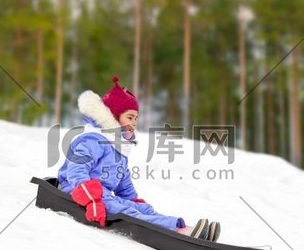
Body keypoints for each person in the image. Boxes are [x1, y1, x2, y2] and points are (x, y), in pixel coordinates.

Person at [57, 76, 220, 241]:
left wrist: (133, 200)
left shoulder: (119, 146)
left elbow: (122, 179)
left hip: (102, 196)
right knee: (128, 212)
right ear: (113, 116)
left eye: (136, 118)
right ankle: (177, 233)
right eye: (129, 117)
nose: (134, 123)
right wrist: (91, 200)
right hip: (79, 192)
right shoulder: (93, 139)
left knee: (142, 209)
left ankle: (182, 228)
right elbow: (76, 171)